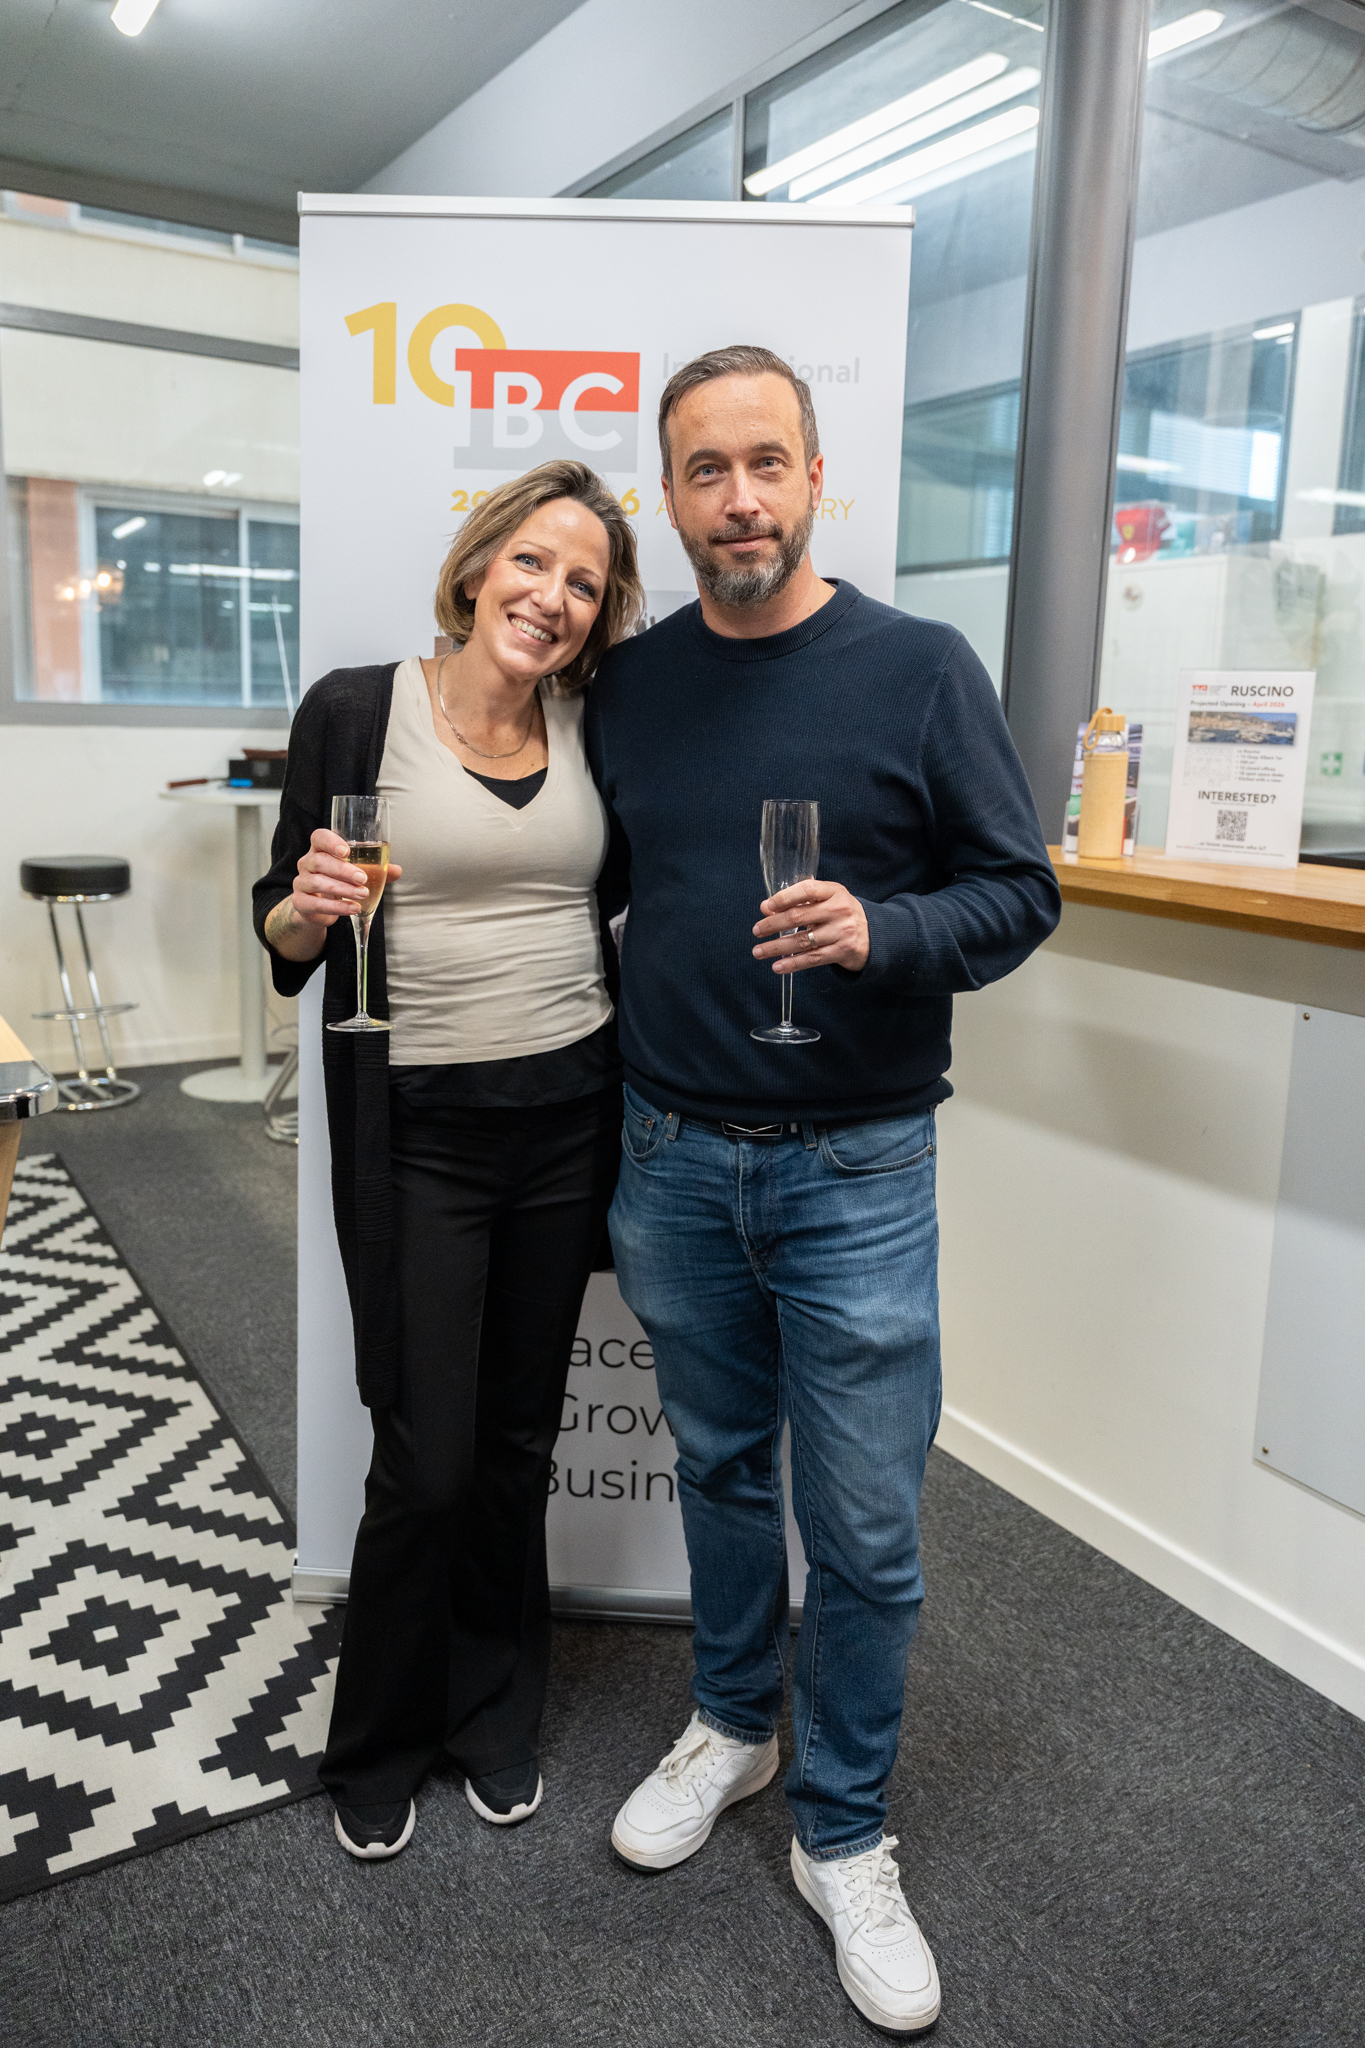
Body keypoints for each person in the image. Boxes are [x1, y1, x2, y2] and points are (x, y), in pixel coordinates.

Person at [587, 346, 1061, 2034]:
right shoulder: (630, 685)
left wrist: (883, 930)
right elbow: (599, 883)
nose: (740, 499)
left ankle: (842, 1830)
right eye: (705, 470)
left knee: (861, 1530)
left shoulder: (918, 669)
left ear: (811, 475)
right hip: (669, 1158)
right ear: (669, 494)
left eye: (765, 463)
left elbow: (1017, 892)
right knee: (720, 1471)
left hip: (856, 1168)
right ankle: (732, 1723)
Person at [253, 460, 642, 1861]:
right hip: (419, 1131)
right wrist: (306, 909)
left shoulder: (597, 726)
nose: (552, 596)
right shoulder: (357, 710)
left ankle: (491, 1712)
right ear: (478, 568)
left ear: (599, 619)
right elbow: (284, 932)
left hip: (569, 1118)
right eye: (532, 561)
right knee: (424, 1459)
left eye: (584, 583)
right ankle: (380, 1736)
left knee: (517, 1446)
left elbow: (623, 893)